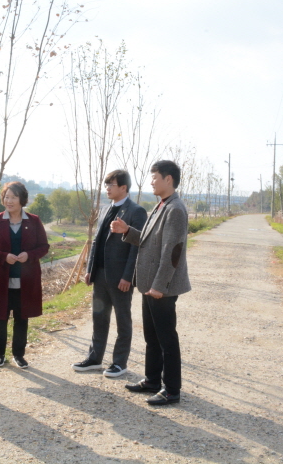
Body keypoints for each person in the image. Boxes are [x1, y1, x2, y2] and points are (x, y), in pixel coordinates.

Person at [110, 160, 191, 405]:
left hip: (161, 288)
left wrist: (159, 286)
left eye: (155, 177)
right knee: (151, 337)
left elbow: (172, 252)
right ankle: (152, 380)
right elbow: (150, 242)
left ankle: (172, 390)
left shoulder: (175, 209)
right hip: (149, 285)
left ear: (169, 179)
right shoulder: (161, 206)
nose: (152, 181)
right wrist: (127, 231)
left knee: (167, 338)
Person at [72, 170, 147, 378]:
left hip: (121, 277)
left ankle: (119, 363)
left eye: (111, 184)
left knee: (123, 320)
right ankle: (94, 358)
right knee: (99, 317)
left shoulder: (136, 211)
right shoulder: (105, 209)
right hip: (101, 275)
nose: (107, 188)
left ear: (124, 187)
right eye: (106, 185)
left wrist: (128, 276)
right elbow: (96, 241)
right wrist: (90, 269)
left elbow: (137, 247)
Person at [0, 182, 50, 369]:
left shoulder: (33, 221)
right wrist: (3, 256)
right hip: (0, 279)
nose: (8, 201)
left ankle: (19, 354)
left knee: (21, 317)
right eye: (6, 197)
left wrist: (29, 255)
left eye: (13, 197)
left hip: (26, 279)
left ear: (22, 199)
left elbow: (44, 246)